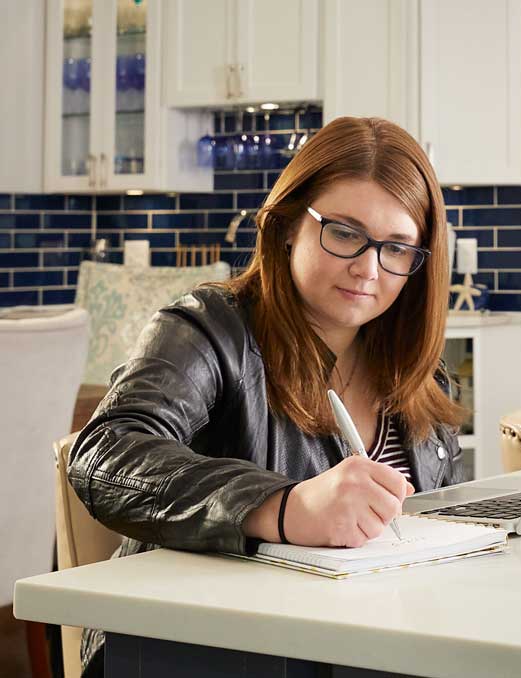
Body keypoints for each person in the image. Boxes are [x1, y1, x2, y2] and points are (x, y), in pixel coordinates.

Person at [68, 116, 467, 677]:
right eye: (345, 233)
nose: (368, 267)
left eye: (397, 248)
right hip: (202, 649)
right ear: (286, 225)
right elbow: (106, 454)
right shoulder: (210, 329)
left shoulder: (422, 377)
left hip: (360, 645)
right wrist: (283, 508)